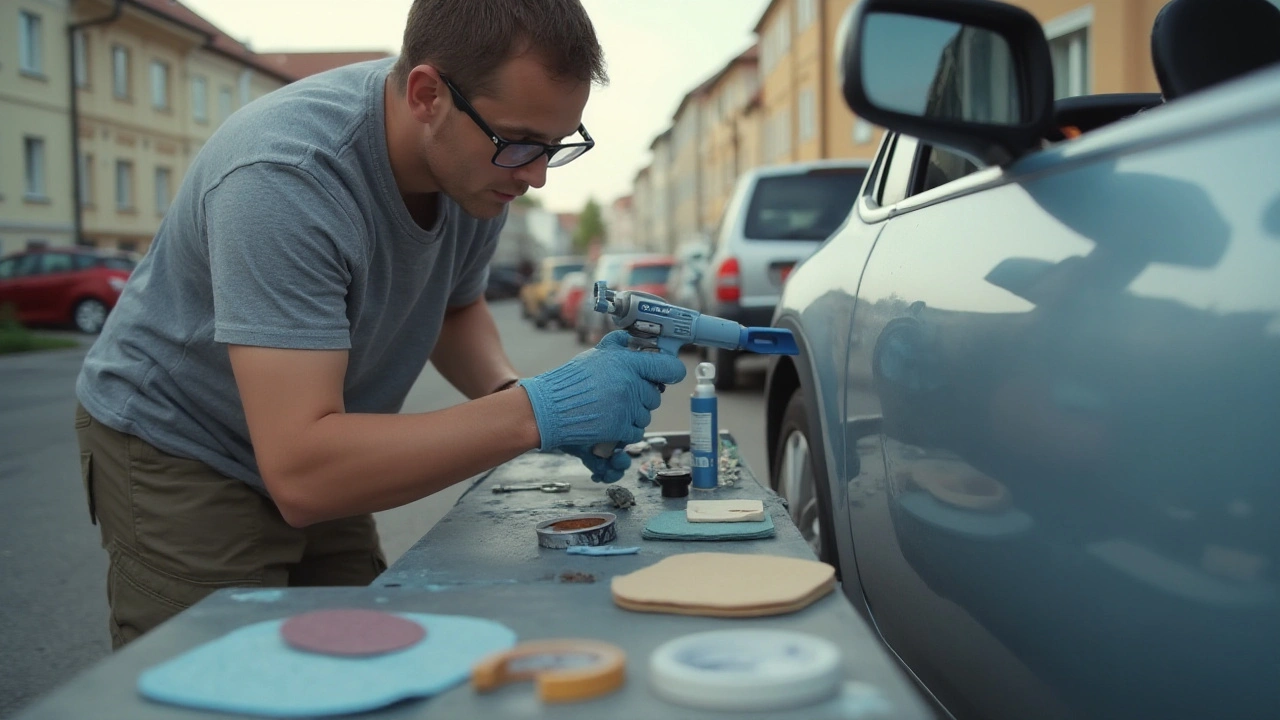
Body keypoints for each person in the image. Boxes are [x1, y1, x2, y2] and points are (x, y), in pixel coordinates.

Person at [73, 0, 685, 649]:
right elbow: (304, 474)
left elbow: (455, 305)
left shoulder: (479, 166)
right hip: (186, 445)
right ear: (427, 95)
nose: (535, 176)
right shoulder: (283, 178)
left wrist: (511, 394)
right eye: (522, 144)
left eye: (557, 145)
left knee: (363, 655)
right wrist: (540, 411)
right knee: (220, 673)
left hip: (326, 436)